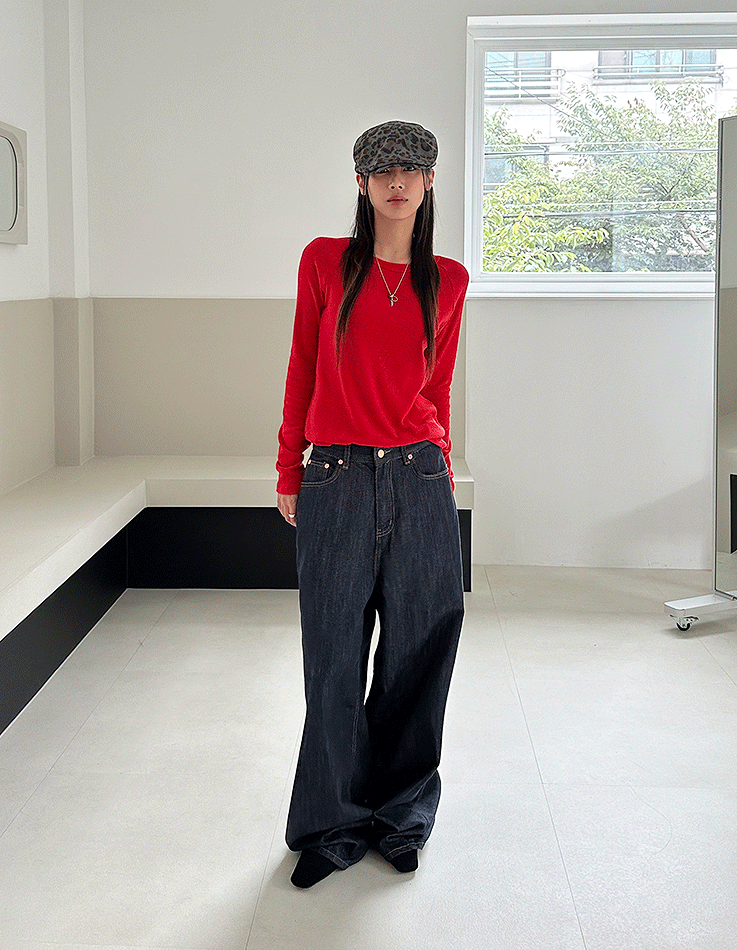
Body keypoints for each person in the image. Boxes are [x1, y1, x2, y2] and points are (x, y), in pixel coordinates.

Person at [276, 120, 469, 889]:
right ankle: (331, 821)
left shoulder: (448, 279)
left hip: (420, 475)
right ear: (361, 183)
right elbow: (302, 364)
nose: (397, 182)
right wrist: (289, 467)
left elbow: (437, 385)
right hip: (338, 475)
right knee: (332, 655)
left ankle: (400, 815)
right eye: (383, 170)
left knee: (420, 650)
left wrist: (441, 469)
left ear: (429, 182)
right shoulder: (326, 262)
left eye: (411, 169)